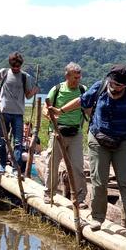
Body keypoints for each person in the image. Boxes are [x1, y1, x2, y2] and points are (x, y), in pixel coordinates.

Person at [49, 64, 126, 236]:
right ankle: (97, 218)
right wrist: (60, 111)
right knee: (99, 182)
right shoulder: (99, 87)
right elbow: (81, 101)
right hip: (98, 140)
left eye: (121, 86)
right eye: (116, 85)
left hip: (122, 141)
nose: (118, 88)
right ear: (110, 81)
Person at [0, 51, 38, 174]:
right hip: (3, 112)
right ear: (10, 64)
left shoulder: (25, 77)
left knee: (18, 143)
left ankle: (16, 168)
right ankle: (2, 165)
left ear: (21, 65)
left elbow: (28, 96)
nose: (16, 69)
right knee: (2, 141)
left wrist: (34, 91)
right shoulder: (4, 72)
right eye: (14, 66)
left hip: (18, 114)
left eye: (18, 66)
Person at [42, 62, 87, 207]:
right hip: (57, 133)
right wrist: (50, 116)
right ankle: (49, 195)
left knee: (78, 167)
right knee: (52, 164)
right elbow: (45, 109)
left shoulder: (83, 90)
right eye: (74, 77)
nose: (77, 80)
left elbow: (88, 109)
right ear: (67, 76)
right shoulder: (56, 89)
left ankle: (80, 199)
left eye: (79, 77)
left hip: (75, 133)